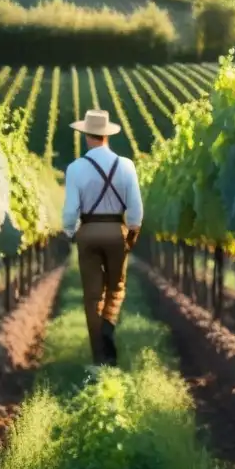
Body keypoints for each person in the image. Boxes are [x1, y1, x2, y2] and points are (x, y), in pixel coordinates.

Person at [62, 109, 143, 366]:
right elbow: (136, 210)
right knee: (116, 287)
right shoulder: (126, 166)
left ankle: (99, 356)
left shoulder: (75, 168)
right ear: (107, 135)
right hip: (116, 232)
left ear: (86, 135)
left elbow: (69, 212)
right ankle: (108, 325)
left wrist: (72, 233)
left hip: (88, 232)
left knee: (92, 295)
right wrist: (131, 233)